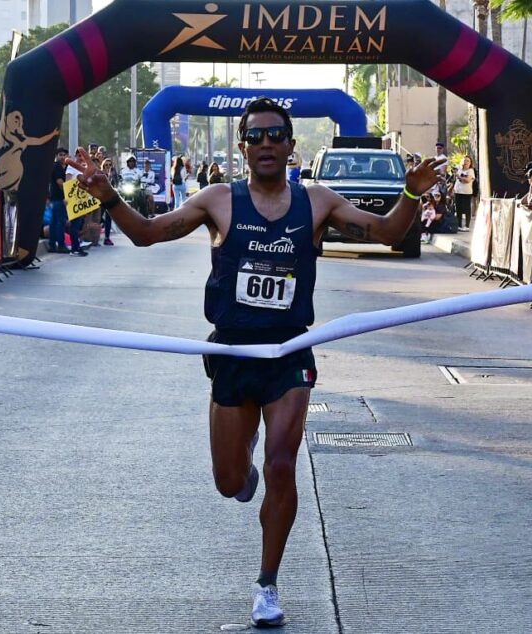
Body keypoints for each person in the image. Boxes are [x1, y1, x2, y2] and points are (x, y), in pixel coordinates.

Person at [66, 96, 442, 628]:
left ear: (291, 146)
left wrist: (409, 194)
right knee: (229, 481)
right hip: (232, 350)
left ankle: (267, 584)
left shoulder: (316, 202)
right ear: (243, 148)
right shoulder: (219, 200)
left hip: (288, 351)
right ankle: (241, 474)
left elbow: (385, 232)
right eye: (255, 137)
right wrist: (107, 196)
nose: (266, 144)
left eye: (275, 135)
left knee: (283, 464)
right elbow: (148, 233)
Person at [47, 147, 71, 253]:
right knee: (60, 222)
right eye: (60, 155)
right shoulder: (57, 167)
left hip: (55, 199)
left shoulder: (63, 167)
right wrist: (68, 196)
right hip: (58, 199)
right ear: (56, 156)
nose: (62, 157)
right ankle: (61, 245)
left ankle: (52, 245)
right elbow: (60, 183)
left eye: (64, 155)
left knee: (54, 222)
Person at [453, 155, 475, 231]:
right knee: (458, 208)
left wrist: (459, 177)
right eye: (464, 160)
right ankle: (459, 225)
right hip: (458, 191)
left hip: (466, 192)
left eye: (467, 161)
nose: (465, 162)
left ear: (470, 163)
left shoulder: (470, 171)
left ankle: (467, 226)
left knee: (467, 209)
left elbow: (467, 180)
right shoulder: (459, 170)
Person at [101, 158, 117, 245]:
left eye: (109, 165)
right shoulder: (100, 174)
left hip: (108, 199)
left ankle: (107, 238)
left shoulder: (113, 175)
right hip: (100, 199)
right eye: (106, 165)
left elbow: (115, 186)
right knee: (99, 218)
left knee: (108, 218)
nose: (108, 167)